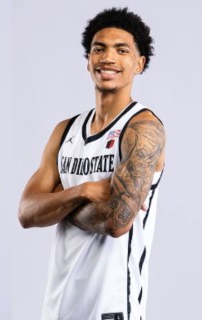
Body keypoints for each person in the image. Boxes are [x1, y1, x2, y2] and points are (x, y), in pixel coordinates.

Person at [18, 7, 164, 320]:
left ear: (139, 64)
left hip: (111, 308)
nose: (108, 58)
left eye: (121, 50)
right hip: (58, 306)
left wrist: (57, 202)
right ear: (88, 61)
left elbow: (117, 220)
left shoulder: (143, 128)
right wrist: (82, 191)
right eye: (99, 49)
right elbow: (26, 212)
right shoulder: (65, 131)